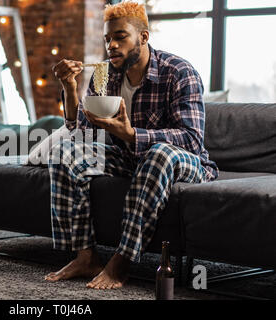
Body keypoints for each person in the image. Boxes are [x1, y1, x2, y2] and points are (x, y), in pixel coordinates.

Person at [44, 1, 219, 290]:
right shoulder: (107, 74)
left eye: (120, 37)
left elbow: (191, 139)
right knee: (64, 152)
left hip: (187, 164)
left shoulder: (179, 72)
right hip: (130, 159)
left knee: (158, 153)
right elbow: (81, 130)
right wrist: (69, 88)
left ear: (144, 37)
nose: (111, 45)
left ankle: (122, 261)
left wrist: (132, 134)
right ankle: (85, 256)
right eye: (107, 39)